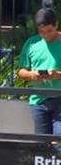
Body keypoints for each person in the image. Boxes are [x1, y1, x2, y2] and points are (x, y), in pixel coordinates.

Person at [16, 8, 61, 136]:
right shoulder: (31, 44)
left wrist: (58, 75)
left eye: (49, 31)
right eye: (42, 32)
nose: (46, 35)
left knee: (59, 143)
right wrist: (32, 75)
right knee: (41, 145)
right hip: (38, 101)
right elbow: (21, 72)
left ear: (56, 25)